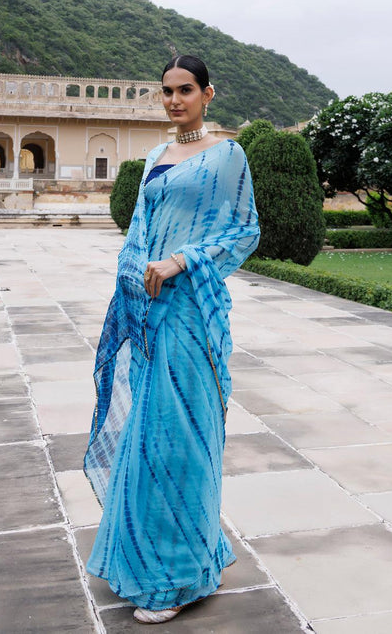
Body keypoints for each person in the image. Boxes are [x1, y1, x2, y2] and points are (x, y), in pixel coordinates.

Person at [84, 55, 260, 624]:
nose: (175, 100)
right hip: (149, 310)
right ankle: (165, 560)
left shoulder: (227, 156)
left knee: (181, 437)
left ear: (208, 93)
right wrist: (135, 268)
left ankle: (178, 577)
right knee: (147, 434)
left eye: (186, 90)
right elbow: (137, 228)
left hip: (189, 313)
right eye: (167, 91)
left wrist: (183, 260)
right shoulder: (157, 157)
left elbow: (244, 230)